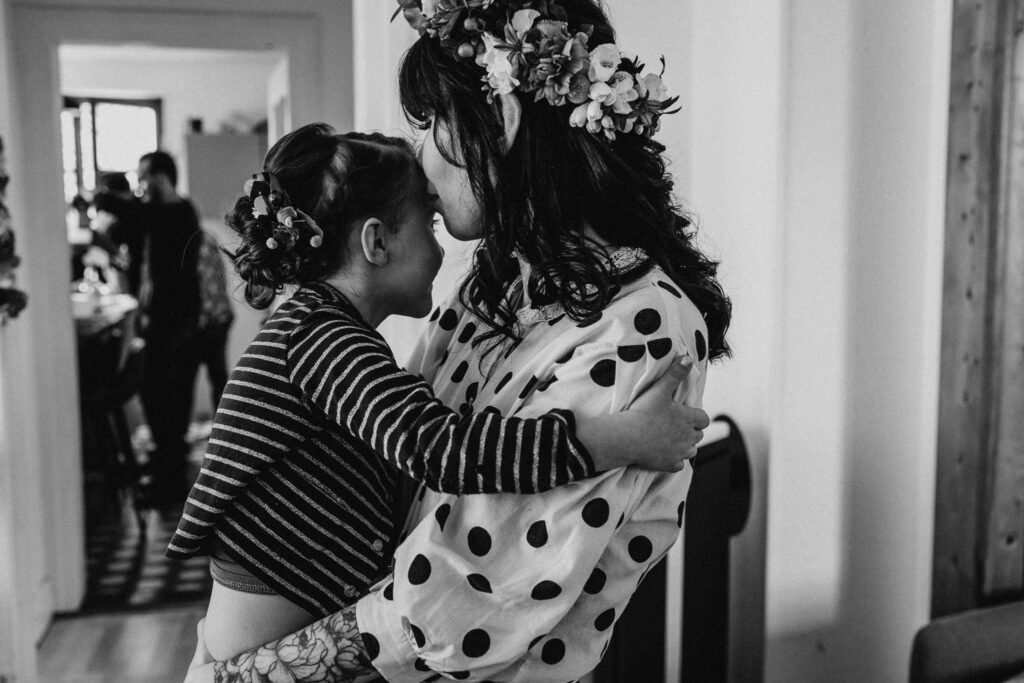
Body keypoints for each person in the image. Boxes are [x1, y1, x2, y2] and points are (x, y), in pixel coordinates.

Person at [187, 1, 731, 681]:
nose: (417, 157)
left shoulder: (640, 326)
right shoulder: (496, 287)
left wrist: (235, 675)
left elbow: (452, 604)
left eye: (428, 124)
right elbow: (407, 462)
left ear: (499, 121)